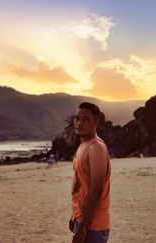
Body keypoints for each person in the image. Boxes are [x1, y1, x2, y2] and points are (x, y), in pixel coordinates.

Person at [69, 102, 111, 243]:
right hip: (82, 218)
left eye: (86, 119)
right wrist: (75, 215)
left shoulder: (96, 148)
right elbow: (81, 183)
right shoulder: (83, 145)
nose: (79, 123)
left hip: (93, 224)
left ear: (96, 122)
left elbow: (96, 190)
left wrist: (83, 225)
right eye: (77, 118)